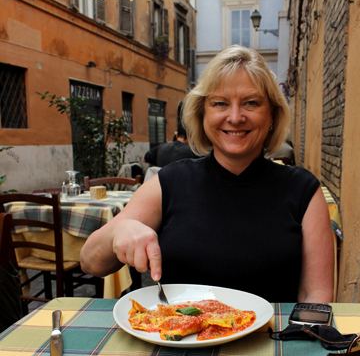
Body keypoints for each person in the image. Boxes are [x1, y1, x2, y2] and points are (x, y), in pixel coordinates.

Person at [80, 45, 334, 303]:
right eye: (220, 103)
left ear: (272, 115)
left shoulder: (304, 192)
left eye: (251, 103)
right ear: (202, 114)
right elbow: (91, 262)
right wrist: (117, 232)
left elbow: (316, 295)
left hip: (273, 341)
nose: (235, 117)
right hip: (180, 339)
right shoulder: (169, 183)